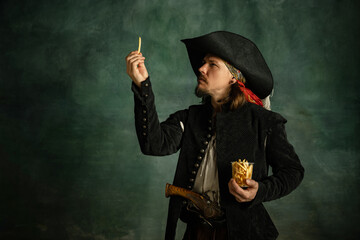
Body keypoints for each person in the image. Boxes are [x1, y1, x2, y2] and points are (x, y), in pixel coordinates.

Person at [125, 31, 304, 240]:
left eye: (212, 64)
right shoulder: (190, 117)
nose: (201, 69)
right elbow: (153, 145)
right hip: (196, 232)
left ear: (233, 78)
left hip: (243, 233)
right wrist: (142, 85)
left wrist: (260, 191)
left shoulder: (264, 122)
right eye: (203, 62)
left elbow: (293, 171)